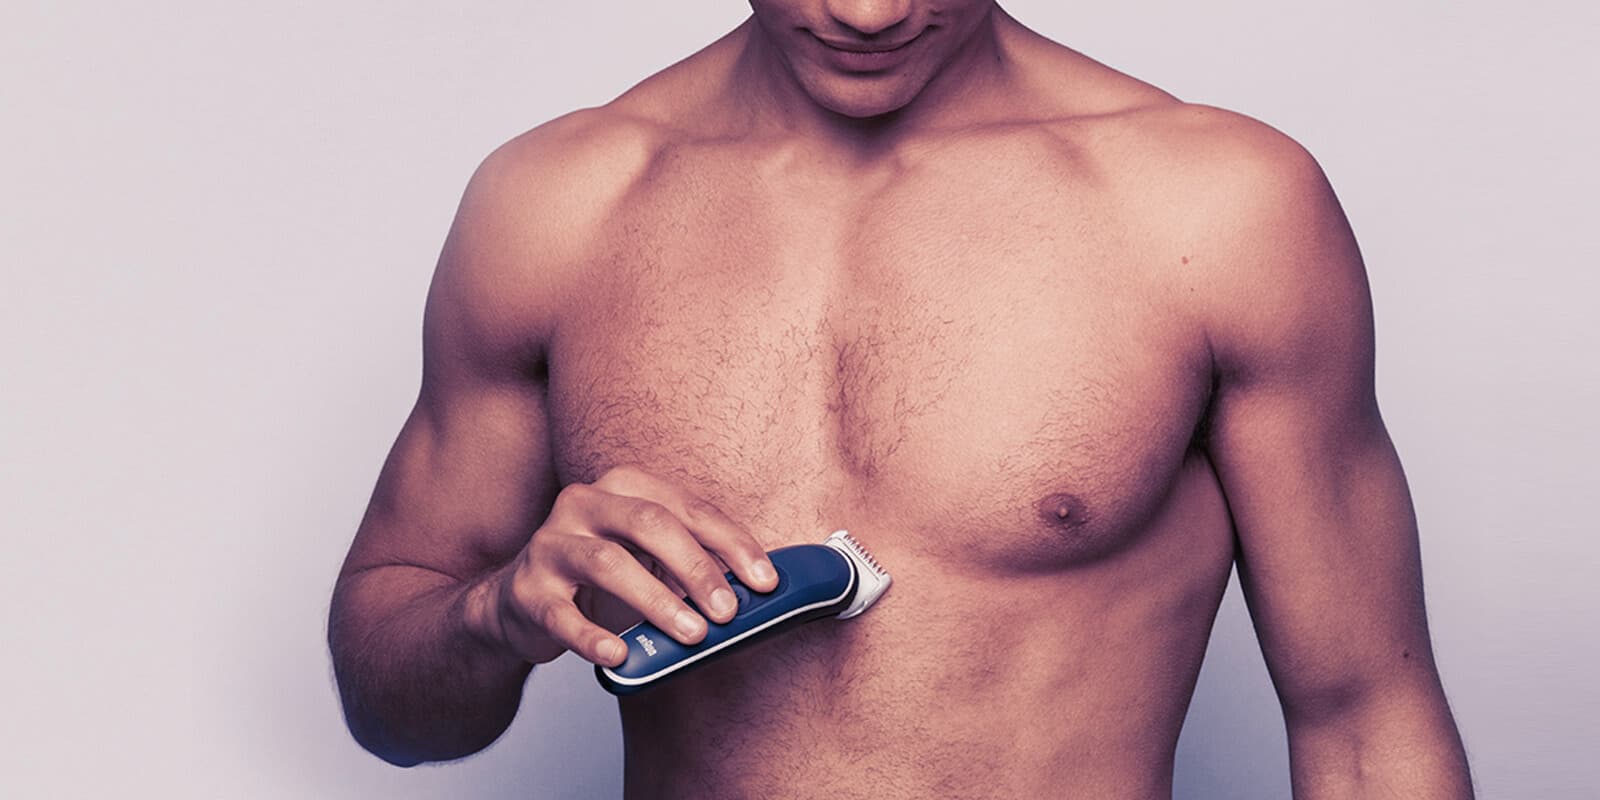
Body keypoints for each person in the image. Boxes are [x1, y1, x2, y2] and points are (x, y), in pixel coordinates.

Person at [328, 2, 1474, 796]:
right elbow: (393, 713)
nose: (867, 13)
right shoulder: (558, 205)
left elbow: (1363, 721)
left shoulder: (1213, 207)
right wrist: (496, 614)